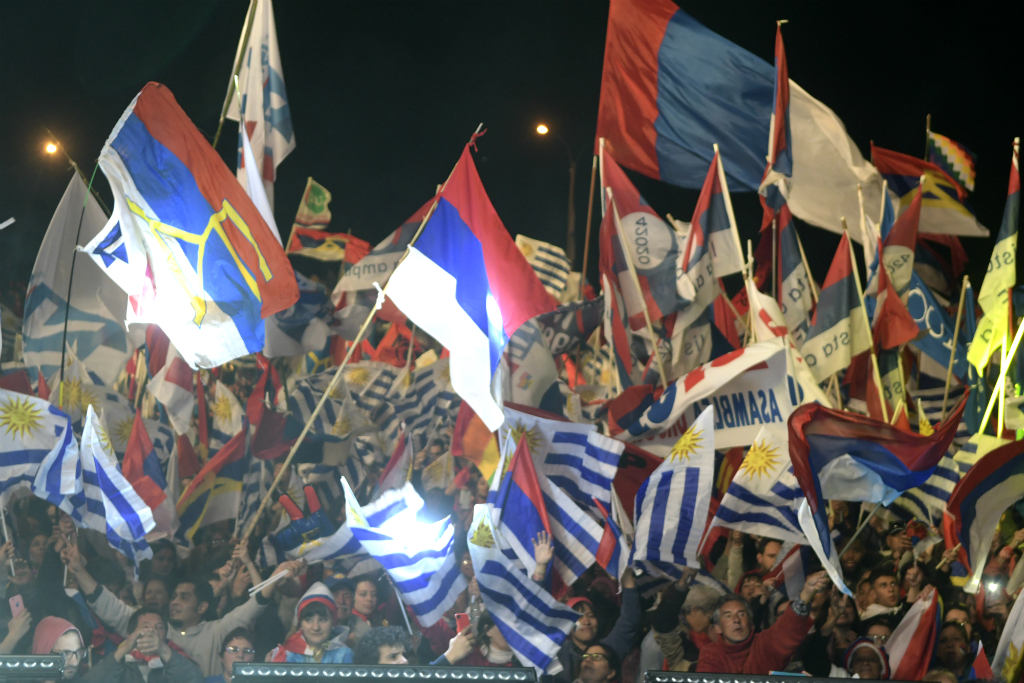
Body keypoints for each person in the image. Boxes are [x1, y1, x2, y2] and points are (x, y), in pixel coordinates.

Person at [61, 540, 302, 677]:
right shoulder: (153, 628)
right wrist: (79, 571)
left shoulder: (217, 631)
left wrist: (277, 576)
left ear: (202, 607)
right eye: (174, 596)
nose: (174, 601)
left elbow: (253, 606)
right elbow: (107, 604)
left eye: (184, 597)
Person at [696, 570, 830, 674]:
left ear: (751, 623)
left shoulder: (764, 643)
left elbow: (788, 629)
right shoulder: (711, 654)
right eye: (728, 616)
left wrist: (806, 593)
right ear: (718, 627)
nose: (736, 620)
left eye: (741, 614)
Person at [555, 569, 639, 683]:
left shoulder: (608, 648)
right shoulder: (557, 651)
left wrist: (627, 577)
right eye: (579, 617)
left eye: (591, 615)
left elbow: (629, 619)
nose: (586, 621)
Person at [81, 607, 204, 683]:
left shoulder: (174, 661)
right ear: (130, 635)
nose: (153, 631)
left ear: (165, 636)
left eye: (159, 627)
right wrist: (123, 650)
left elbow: (194, 679)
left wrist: (165, 651)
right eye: (146, 627)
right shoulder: (119, 663)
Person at [267, 582, 353, 663]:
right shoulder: (288, 654)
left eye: (323, 620)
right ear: (300, 624)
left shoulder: (345, 654)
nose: (316, 627)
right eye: (308, 620)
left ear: (333, 622)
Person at [651, 570, 718, 671]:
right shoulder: (682, 640)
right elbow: (662, 623)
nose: (712, 622)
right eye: (710, 616)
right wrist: (682, 585)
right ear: (694, 611)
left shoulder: (721, 639)